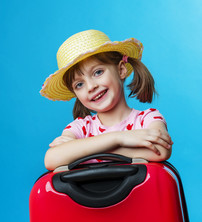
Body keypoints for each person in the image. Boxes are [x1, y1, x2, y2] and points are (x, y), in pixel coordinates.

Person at [40, 30, 173, 170]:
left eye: (98, 72)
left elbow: (160, 150)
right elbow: (52, 159)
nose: (91, 87)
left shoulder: (147, 119)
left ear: (121, 70)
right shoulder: (80, 128)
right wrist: (117, 138)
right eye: (79, 84)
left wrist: (85, 152)